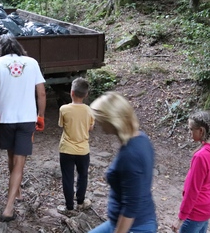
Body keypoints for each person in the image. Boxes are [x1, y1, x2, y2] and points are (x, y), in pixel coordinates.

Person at [0, 34, 46, 222]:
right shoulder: (32, 62)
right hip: (27, 119)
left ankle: (17, 191)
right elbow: (42, 92)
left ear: (0, 48)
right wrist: (41, 116)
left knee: (11, 156)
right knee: (19, 162)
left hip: (6, 119)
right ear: (18, 47)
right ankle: (9, 207)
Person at [89, 92, 157, 233]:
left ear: (113, 122)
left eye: (101, 121)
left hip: (135, 227)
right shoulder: (141, 138)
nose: (98, 124)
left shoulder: (130, 155)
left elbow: (131, 205)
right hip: (121, 222)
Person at [57, 77, 94, 215]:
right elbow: (90, 128)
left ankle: (69, 207)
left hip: (66, 149)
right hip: (83, 150)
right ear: (86, 94)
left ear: (71, 92)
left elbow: (62, 125)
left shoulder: (64, 109)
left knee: (67, 177)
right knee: (82, 175)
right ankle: (80, 202)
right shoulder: (89, 110)